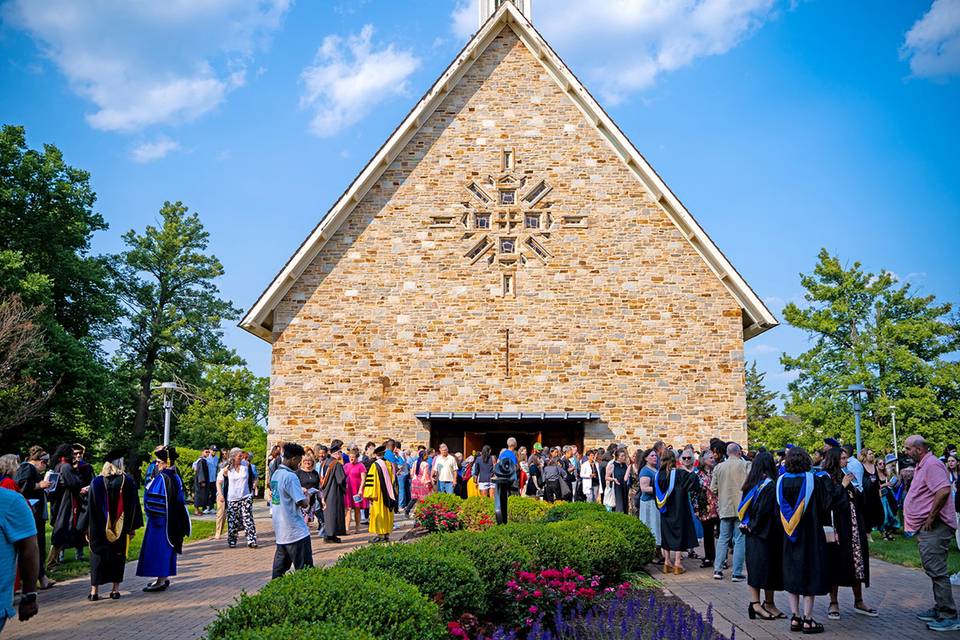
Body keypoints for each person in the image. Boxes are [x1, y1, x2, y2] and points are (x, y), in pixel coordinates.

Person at [904, 435, 960, 632]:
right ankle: (940, 607)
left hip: (936, 526)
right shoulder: (924, 465)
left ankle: (949, 615)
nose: (905, 451)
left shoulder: (932, 465)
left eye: (908, 448)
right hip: (930, 526)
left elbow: (943, 491)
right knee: (933, 567)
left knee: (936, 569)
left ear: (919, 449)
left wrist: (931, 517)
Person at [778, 446, 835, 634]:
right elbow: (826, 505)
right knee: (809, 573)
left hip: (789, 536)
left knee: (792, 572)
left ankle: (794, 617)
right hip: (810, 535)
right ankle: (808, 619)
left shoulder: (780, 482)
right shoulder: (813, 481)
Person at [821, 446, 876, 619]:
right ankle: (833, 602)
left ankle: (858, 600)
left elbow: (858, 499)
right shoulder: (825, 478)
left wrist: (858, 489)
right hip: (838, 527)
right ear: (835, 459)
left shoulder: (849, 476)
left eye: (846, 458)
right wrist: (842, 486)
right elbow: (827, 503)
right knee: (836, 562)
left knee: (856, 562)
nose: (846, 461)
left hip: (854, 525)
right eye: (843, 458)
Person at [82, 450, 143, 601]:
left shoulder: (96, 482)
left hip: (98, 529)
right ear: (120, 464)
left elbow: (89, 508)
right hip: (120, 528)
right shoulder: (127, 481)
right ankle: (115, 590)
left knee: (97, 557)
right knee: (117, 556)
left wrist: (85, 527)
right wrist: (132, 527)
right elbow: (133, 507)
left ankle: (94, 591)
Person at [137, 446, 190, 592]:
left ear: (166, 462)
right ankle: (164, 578)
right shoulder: (175, 476)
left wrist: (151, 513)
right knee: (168, 549)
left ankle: (160, 581)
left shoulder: (162, 477)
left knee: (159, 550)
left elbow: (154, 499)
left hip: (160, 522)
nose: (157, 464)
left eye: (159, 462)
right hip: (173, 520)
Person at [739, 451, 784, 621]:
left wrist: (749, 526)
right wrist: (753, 526)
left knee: (766, 568)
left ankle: (769, 603)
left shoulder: (751, 483)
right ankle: (755, 604)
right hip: (763, 532)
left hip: (756, 532)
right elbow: (763, 511)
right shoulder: (769, 485)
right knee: (760, 569)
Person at [270, 443, 314, 579]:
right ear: (293, 459)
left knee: (278, 574)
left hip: (281, 532)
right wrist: (307, 496)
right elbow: (302, 502)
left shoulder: (276, 474)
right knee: (306, 573)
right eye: (298, 461)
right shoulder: (291, 477)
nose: (299, 465)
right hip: (296, 532)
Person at [654, 449, 700, 574]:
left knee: (667, 534)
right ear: (674, 460)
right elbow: (694, 482)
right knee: (679, 534)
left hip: (665, 510)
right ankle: (678, 564)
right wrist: (690, 471)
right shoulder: (679, 473)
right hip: (679, 510)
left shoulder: (658, 475)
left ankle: (667, 562)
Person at [15, 447, 54, 590]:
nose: (45, 465)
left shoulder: (31, 470)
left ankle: (42, 577)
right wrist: (39, 485)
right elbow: (21, 487)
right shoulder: (27, 468)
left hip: (36, 514)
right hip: (31, 514)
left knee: (39, 546)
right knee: (35, 546)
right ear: (37, 460)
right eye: (44, 462)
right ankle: (39, 578)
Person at [1, 486, 40, 633]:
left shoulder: (10, 500)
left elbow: (30, 550)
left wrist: (29, 596)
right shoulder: (11, 500)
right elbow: (30, 550)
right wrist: (29, 595)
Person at [711, 442, 751, 581]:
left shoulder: (719, 467)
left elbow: (713, 489)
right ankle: (737, 572)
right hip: (742, 507)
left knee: (723, 538)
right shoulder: (746, 465)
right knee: (739, 540)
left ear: (727, 453)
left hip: (725, 506)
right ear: (739, 452)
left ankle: (718, 569)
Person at [46, 443, 87, 571]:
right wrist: (80, 485)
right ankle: (51, 562)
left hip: (59, 502)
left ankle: (55, 561)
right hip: (66, 503)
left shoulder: (57, 466)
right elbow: (73, 483)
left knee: (60, 530)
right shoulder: (66, 467)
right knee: (60, 530)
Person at [218, 448, 257, 549]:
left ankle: (251, 540)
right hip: (232, 497)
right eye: (239, 456)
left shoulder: (246, 465)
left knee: (248, 518)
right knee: (233, 520)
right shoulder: (227, 468)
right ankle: (232, 540)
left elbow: (254, 477)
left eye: (242, 456)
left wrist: (253, 486)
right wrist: (221, 494)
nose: (242, 457)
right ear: (233, 457)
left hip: (245, 496)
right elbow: (219, 481)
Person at [364, 444, 397, 542]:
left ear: (376, 454)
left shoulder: (376, 465)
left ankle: (380, 535)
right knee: (387, 513)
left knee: (380, 513)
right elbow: (394, 480)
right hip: (389, 494)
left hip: (379, 495)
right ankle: (386, 534)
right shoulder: (390, 464)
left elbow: (371, 481)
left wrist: (370, 495)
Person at [637, 447, 663, 564]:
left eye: (655, 456)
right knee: (651, 526)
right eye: (652, 456)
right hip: (649, 503)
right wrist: (661, 489)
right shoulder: (645, 471)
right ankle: (652, 554)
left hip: (656, 502)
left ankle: (658, 552)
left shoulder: (656, 469)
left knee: (657, 527)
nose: (654, 457)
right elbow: (644, 488)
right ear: (646, 458)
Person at [319, 439, 347, 543]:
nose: (341, 454)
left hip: (325, 491)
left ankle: (329, 534)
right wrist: (345, 488)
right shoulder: (337, 464)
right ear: (337, 453)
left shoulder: (324, 462)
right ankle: (330, 536)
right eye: (340, 452)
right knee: (333, 513)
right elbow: (341, 480)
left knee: (328, 514)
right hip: (334, 492)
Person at [695, 450, 720, 570]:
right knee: (708, 534)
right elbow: (694, 493)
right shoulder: (698, 474)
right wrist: (696, 509)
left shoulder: (717, 472)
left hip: (719, 507)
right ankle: (709, 557)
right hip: (705, 508)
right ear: (704, 460)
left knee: (720, 534)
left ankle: (721, 559)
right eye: (710, 458)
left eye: (713, 458)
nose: (713, 459)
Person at [343, 448, 368, 534]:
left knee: (357, 509)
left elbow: (363, 479)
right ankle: (347, 528)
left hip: (357, 489)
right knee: (348, 508)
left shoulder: (361, 466)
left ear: (357, 458)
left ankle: (357, 528)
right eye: (350, 457)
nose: (351, 459)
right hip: (348, 489)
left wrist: (361, 489)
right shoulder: (346, 465)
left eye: (353, 457)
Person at [296, 452, 321, 532]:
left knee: (309, 519)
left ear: (313, 462)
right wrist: (301, 488)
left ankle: (305, 533)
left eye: (309, 460)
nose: (307, 462)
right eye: (305, 460)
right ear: (302, 462)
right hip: (301, 499)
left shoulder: (315, 473)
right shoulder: (298, 472)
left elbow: (318, 486)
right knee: (302, 520)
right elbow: (294, 486)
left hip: (312, 499)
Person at [604, 449, 629, 513]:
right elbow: (606, 477)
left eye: (624, 456)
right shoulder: (612, 465)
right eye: (622, 456)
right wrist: (613, 479)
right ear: (617, 457)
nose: (624, 457)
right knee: (619, 505)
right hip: (616, 487)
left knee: (625, 504)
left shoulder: (625, 465)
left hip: (625, 487)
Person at [191, 449, 212, 515]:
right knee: (198, 495)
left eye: (208, 452)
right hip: (200, 482)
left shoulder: (204, 460)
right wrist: (202, 481)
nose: (208, 453)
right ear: (202, 452)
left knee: (202, 495)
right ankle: (196, 510)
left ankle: (198, 510)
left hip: (202, 481)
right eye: (206, 452)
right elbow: (201, 471)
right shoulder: (201, 461)